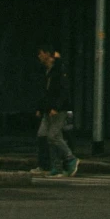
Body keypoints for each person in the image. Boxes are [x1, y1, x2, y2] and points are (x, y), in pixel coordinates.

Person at [35, 46, 79, 177]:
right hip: (49, 109)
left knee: (53, 135)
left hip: (58, 109)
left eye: (41, 53)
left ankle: (70, 158)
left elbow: (62, 90)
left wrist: (56, 107)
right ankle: (55, 166)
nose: (39, 56)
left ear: (47, 54)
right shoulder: (47, 70)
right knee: (46, 136)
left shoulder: (58, 69)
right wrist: (41, 108)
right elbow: (45, 92)